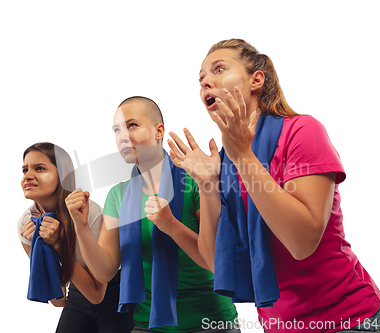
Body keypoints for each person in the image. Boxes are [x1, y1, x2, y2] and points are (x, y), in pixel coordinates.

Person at [168, 38, 380, 333]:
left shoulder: (302, 131)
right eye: (201, 80)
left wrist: (244, 157)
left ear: (256, 80)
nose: (206, 83)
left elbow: (302, 242)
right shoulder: (223, 164)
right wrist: (208, 183)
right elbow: (215, 262)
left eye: (219, 69)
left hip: (349, 319)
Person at [65, 97, 240, 333]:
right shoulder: (118, 195)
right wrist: (82, 226)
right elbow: (105, 271)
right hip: (149, 325)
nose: (122, 136)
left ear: (159, 132)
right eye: (117, 130)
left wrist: (171, 225)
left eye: (132, 125)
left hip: (211, 322)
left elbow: (218, 261)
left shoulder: (196, 183)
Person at [17, 142, 134, 333]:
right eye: (24, 170)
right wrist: (44, 249)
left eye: (39, 168)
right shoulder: (26, 224)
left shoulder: (89, 214)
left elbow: (97, 294)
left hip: (116, 291)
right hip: (78, 291)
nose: (28, 176)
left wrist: (58, 245)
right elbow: (59, 299)